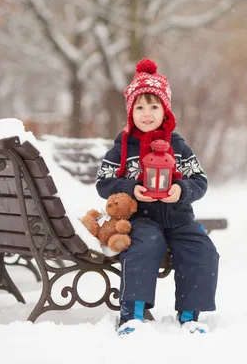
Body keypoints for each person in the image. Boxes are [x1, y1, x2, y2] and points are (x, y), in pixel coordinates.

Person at [95, 58, 219, 335]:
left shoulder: (178, 145)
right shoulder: (122, 148)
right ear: (130, 112)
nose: (147, 113)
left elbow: (200, 180)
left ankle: (190, 314)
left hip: (178, 217)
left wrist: (182, 191)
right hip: (142, 218)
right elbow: (103, 183)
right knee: (144, 244)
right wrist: (130, 189)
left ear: (165, 110)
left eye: (154, 106)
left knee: (202, 249)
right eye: (139, 107)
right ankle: (132, 313)